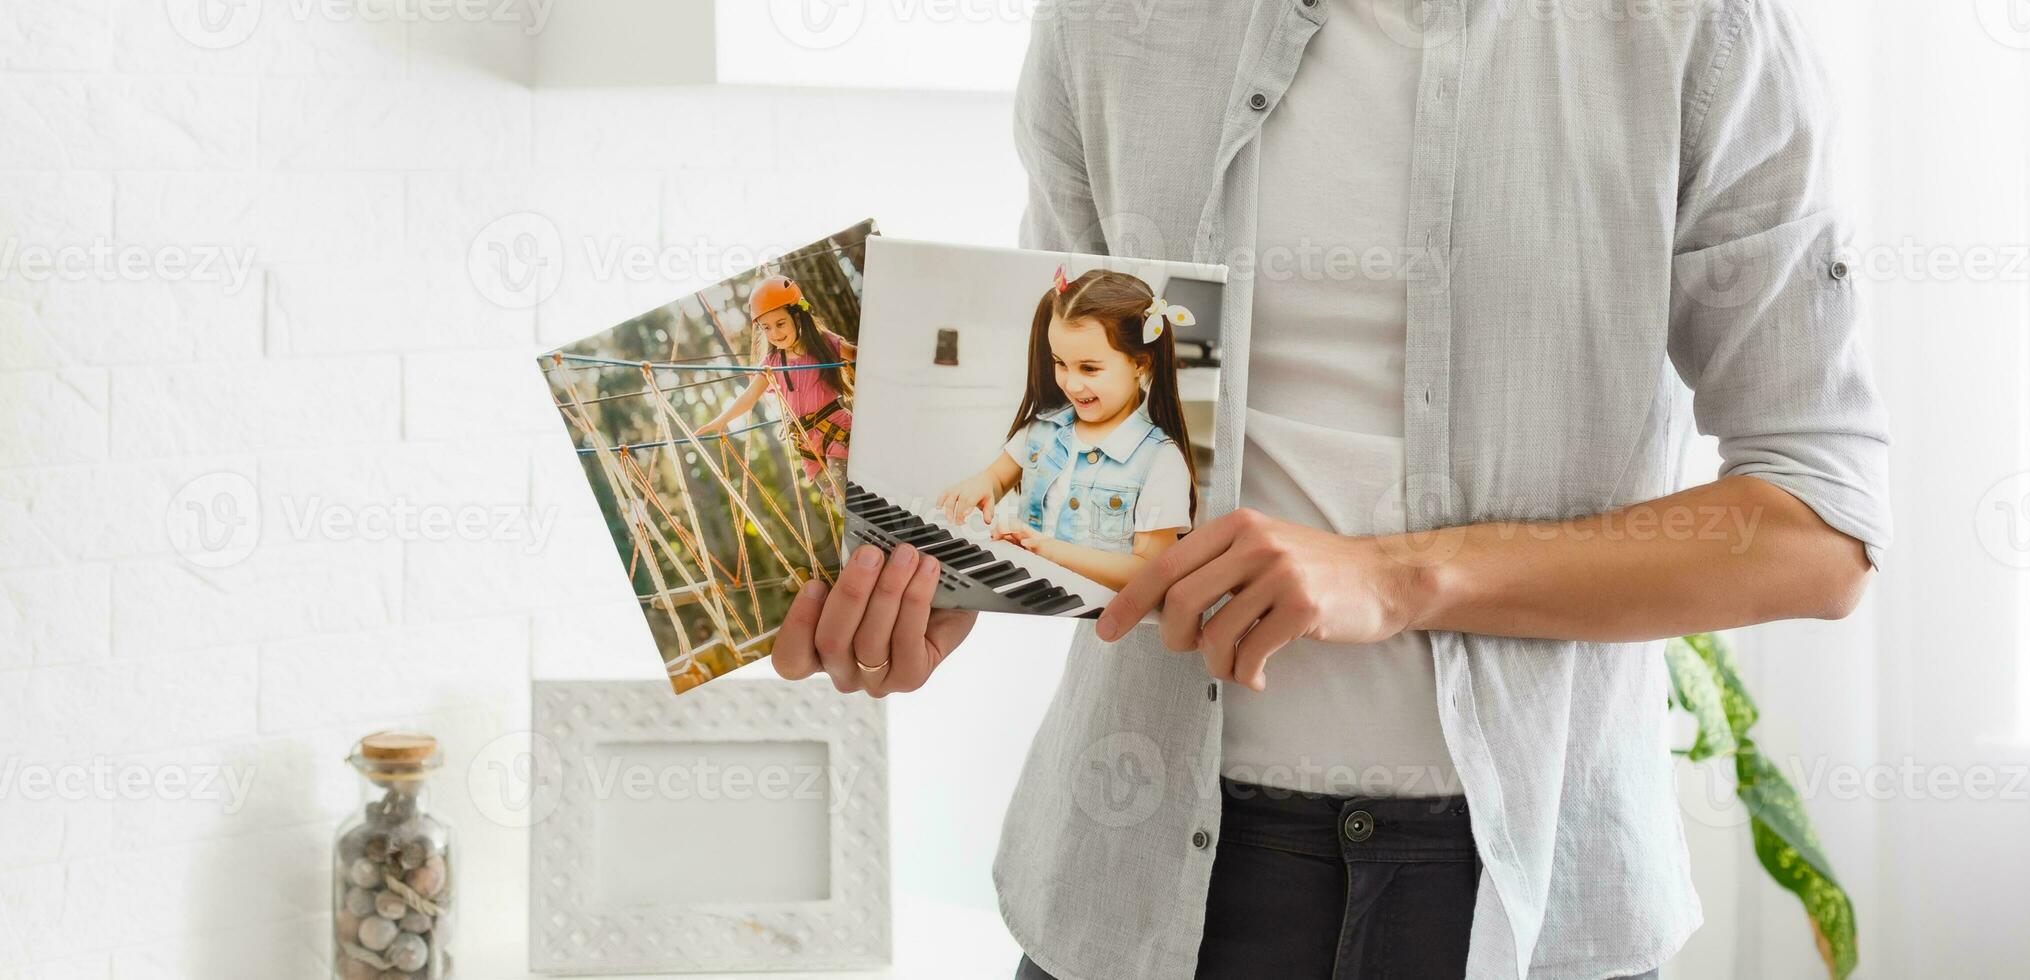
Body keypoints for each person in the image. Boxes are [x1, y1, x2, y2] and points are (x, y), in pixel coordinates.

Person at [770, 0, 1887, 977]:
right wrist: (942, 585)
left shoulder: (1696, 29)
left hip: (1521, 895)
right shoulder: (1102, 19)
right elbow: (1066, 413)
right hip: (1139, 887)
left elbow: (1815, 524)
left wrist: (1394, 577)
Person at [935, 267, 1198, 591]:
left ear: (1140, 363)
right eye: (1061, 363)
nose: (1071, 384)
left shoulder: (1160, 461)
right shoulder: (1043, 428)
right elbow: (997, 477)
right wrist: (980, 485)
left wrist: (1046, 549)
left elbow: (1151, 572)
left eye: (1089, 368)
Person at [697, 275, 857, 500]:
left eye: (780, 324)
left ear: (798, 316)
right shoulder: (772, 364)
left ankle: (876, 527)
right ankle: (871, 532)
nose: (775, 334)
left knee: (848, 499)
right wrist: (721, 420)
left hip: (837, 432)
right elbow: (749, 396)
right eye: (766, 328)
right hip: (809, 447)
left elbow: (859, 355)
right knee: (839, 500)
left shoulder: (823, 343)